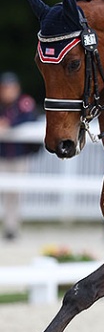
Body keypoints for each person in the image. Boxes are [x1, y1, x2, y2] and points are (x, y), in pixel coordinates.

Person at [0, 72, 38, 240]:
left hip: (19, 156)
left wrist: (9, 125)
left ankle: (12, 227)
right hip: (2, 155)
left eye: (10, 88)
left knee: (15, 193)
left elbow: (30, 118)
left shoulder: (24, 102)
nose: (8, 91)